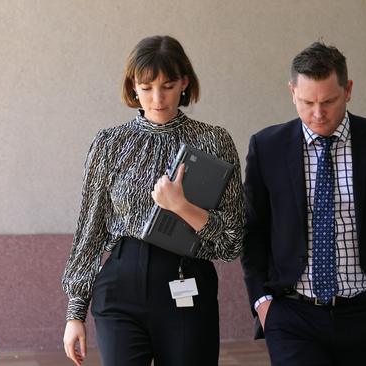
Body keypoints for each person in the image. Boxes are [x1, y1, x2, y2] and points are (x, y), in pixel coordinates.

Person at [241, 41, 366, 365]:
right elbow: (252, 231)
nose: (318, 113)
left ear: (348, 90)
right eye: (306, 102)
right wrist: (262, 303)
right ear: (292, 92)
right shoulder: (267, 146)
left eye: (329, 101)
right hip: (292, 314)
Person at [61, 35, 244, 366]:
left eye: (168, 85)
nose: (157, 98)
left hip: (187, 278)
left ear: (185, 83)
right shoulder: (109, 144)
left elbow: (232, 241)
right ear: (133, 86)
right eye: (146, 87)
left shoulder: (214, 141)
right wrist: (76, 313)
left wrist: (182, 207)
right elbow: (90, 231)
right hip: (121, 283)